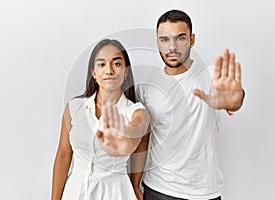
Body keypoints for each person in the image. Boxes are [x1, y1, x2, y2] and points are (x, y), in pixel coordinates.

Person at [131, 9, 245, 200]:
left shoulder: (210, 76)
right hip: (159, 188)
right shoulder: (146, 86)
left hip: (205, 192)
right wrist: (135, 182)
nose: (172, 47)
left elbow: (236, 99)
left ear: (192, 40)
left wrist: (235, 101)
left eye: (180, 38)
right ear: (157, 42)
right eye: (164, 39)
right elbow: (144, 138)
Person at [51, 39, 150, 200]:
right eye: (101, 64)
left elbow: (137, 131)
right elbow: (63, 154)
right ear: (93, 73)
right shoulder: (74, 108)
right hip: (75, 192)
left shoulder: (136, 112)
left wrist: (123, 136)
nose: (109, 70)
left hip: (116, 193)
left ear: (125, 72)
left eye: (117, 64)